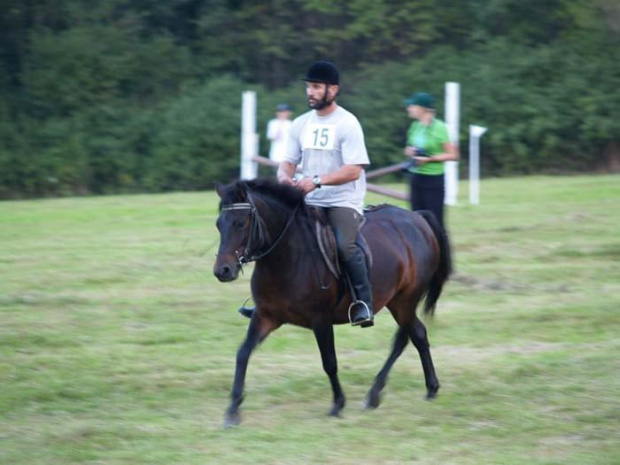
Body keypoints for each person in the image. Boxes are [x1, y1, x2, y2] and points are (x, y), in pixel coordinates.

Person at [240, 60, 374, 328]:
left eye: (316, 87)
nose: (310, 92)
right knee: (274, 236)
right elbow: (287, 162)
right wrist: (284, 179)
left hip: (342, 201)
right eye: (308, 87)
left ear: (333, 89)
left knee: (344, 246)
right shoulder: (300, 124)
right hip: (307, 199)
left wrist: (316, 181)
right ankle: (266, 301)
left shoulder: (348, 123)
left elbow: (354, 170)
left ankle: (363, 303)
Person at [403, 92, 458, 230]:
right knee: (416, 220)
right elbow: (410, 148)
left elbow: (453, 155)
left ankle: (441, 251)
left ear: (423, 108)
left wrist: (429, 159)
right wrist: (409, 151)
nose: (408, 108)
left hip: (433, 180)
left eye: (412, 105)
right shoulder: (415, 126)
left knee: (435, 223)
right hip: (415, 177)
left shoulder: (439, 127)